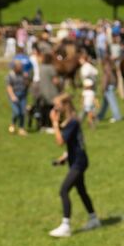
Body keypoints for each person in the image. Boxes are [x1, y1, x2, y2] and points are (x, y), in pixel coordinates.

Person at [49, 94, 100, 238]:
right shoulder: (71, 121)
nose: (55, 108)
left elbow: (60, 141)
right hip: (76, 159)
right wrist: (64, 157)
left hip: (79, 162)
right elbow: (75, 143)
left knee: (64, 190)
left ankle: (66, 226)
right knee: (81, 191)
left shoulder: (72, 122)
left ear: (65, 105)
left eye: (57, 105)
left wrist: (54, 123)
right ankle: (94, 219)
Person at [6, 59, 30, 135]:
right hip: (14, 95)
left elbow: (26, 85)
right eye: (19, 66)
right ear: (15, 67)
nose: (21, 67)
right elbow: (9, 87)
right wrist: (12, 96)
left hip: (23, 95)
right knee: (17, 112)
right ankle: (12, 124)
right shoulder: (10, 75)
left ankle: (21, 128)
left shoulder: (23, 74)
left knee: (23, 112)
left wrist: (26, 78)